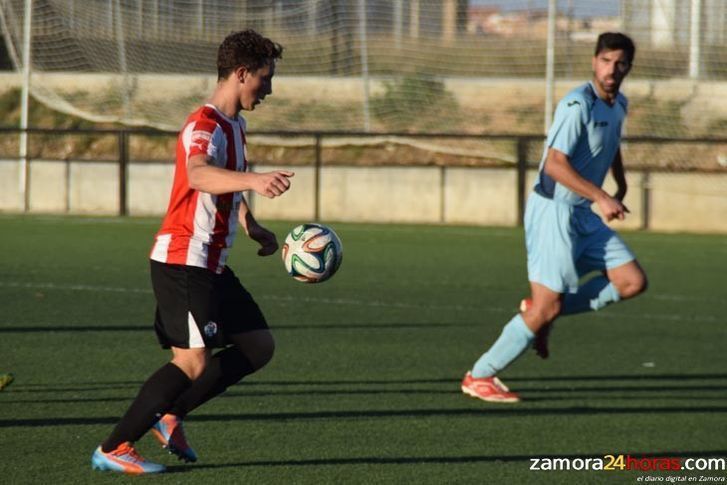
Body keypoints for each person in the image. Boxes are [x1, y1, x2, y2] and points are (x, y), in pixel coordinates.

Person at [91, 29, 294, 474]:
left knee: (258, 346)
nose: (270, 89)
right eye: (265, 77)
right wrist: (256, 181)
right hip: (183, 260)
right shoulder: (203, 125)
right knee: (192, 359)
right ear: (241, 74)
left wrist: (250, 223)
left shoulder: (235, 126)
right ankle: (115, 446)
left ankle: (171, 413)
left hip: (211, 263)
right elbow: (200, 175)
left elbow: (223, 186)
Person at [461, 32, 648, 403]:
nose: (612, 69)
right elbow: (554, 164)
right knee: (550, 304)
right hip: (554, 211)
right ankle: (480, 375)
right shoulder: (577, 104)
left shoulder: (619, 103)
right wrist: (601, 196)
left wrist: (620, 185)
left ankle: (542, 311)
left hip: (582, 211)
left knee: (631, 281)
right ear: (595, 61)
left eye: (620, 62)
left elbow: (611, 145)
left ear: (629, 67)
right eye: (606, 60)